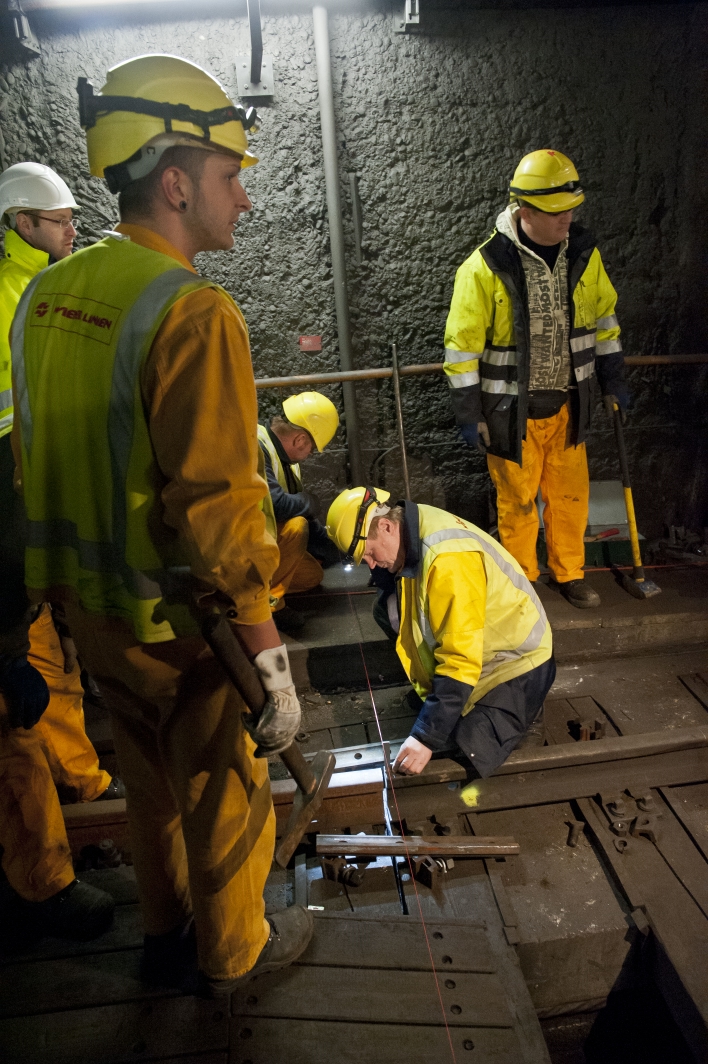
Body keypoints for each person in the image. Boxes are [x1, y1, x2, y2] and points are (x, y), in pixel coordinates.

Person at [11, 55, 313, 991]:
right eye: (232, 178)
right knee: (227, 793)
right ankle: (235, 958)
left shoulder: (46, 296)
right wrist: (269, 664)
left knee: (145, 788)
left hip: (91, 621)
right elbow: (220, 518)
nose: (245, 202)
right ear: (175, 181)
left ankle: (163, 933)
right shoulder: (191, 312)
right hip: (183, 629)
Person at [0, 163, 124, 941]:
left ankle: (85, 796)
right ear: (22, 223)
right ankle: (40, 883)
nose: (72, 228)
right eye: (59, 219)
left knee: (50, 671)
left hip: (25, 523)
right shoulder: (14, 298)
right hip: (6, 526)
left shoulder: (45, 286)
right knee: (13, 714)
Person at [443, 150, 628, 608]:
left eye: (572, 207)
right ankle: (522, 582)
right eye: (557, 210)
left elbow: (605, 322)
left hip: (570, 405)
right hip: (512, 413)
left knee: (569, 500)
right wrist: (469, 413)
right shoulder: (484, 267)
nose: (568, 217)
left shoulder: (584, 257)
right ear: (525, 209)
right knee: (518, 504)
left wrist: (613, 381)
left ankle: (570, 574)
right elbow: (461, 349)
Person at [326, 487, 555, 778]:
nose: (370, 564)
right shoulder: (412, 524)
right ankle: (441, 695)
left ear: (385, 526)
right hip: (482, 642)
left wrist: (425, 737)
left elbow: (460, 658)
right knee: (386, 609)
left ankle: (529, 715)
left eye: (369, 553)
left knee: (471, 744)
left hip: (515, 661)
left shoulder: (448, 560)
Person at [258, 391, 340, 634]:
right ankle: (269, 605)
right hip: (243, 544)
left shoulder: (284, 460)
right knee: (296, 527)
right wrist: (310, 502)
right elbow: (278, 505)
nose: (310, 455)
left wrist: (336, 548)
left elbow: (302, 513)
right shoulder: (255, 445)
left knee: (310, 576)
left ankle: (251, 592)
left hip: (266, 540)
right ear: (301, 440)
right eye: (313, 448)